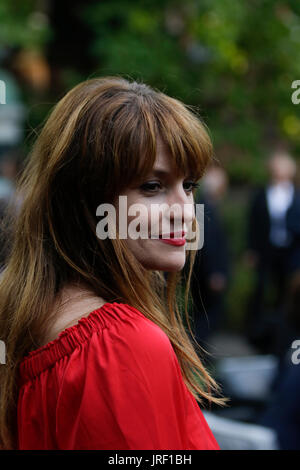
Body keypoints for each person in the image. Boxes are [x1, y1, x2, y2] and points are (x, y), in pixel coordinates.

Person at [0, 77, 225, 450]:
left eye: (189, 186)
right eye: (152, 187)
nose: (185, 211)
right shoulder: (118, 347)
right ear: (86, 203)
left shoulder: (27, 316)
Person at [245, 151, 300, 354]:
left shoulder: (296, 195)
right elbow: (253, 223)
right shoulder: (262, 194)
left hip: (290, 252)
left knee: (285, 292)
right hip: (266, 250)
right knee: (260, 290)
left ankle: (282, 334)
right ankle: (256, 333)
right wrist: (251, 249)